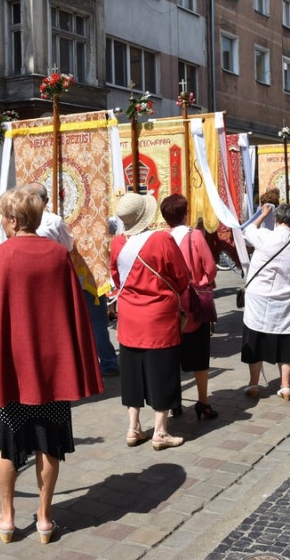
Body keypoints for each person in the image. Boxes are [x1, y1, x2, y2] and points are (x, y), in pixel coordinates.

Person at [0, 185, 103, 545]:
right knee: (48, 444)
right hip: (51, 373)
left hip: (9, 373)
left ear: (13, 220)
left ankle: (7, 519)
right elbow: (74, 313)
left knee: (7, 445)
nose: (1, 223)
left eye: (3, 217)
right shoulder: (57, 256)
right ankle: (45, 520)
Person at [111, 193, 191, 450]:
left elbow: (116, 277)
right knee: (162, 373)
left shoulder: (117, 242)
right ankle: (160, 431)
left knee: (132, 374)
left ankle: (133, 428)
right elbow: (182, 276)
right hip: (159, 317)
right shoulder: (161, 239)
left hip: (129, 317)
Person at [27, 182, 119, 377]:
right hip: (71, 276)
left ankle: (70, 365)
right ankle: (106, 363)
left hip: (43, 281)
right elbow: (67, 246)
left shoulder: (21, 220)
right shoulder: (53, 220)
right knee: (96, 322)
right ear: (46, 201)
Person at [240, 203, 290, 401]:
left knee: (255, 339)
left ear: (276, 219)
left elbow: (247, 231)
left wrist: (262, 214)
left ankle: (254, 383)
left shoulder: (264, 236)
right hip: (285, 300)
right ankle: (285, 386)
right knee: (286, 343)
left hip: (258, 299)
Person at [161, 193, 219, 420]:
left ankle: (174, 401)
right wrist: (204, 280)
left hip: (170, 303)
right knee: (199, 354)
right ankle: (203, 401)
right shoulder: (195, 236)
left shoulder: (161, 238)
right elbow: (210, 267)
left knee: (172, 354)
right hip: (194, 301)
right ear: (185, 214)